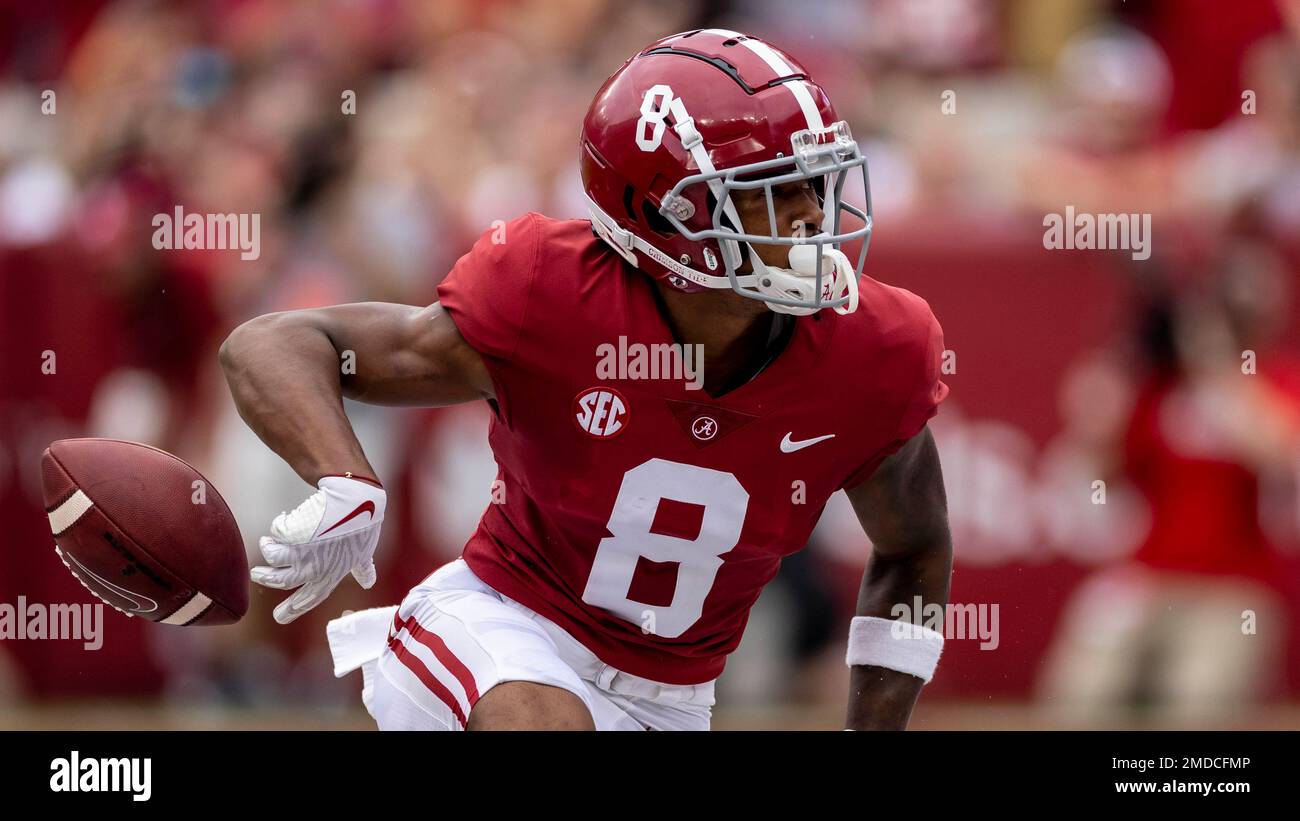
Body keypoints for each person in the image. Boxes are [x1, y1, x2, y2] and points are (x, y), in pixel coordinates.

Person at [219, 30, 952, 731]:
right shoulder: (550, 291)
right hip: (500, 625)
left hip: (673, 696)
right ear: (665, 215)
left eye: (814, 183)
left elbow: (914, 547)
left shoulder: (876, 348)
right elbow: (274, 343)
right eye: (772, 192)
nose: (811, 218)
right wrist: (345, 478)